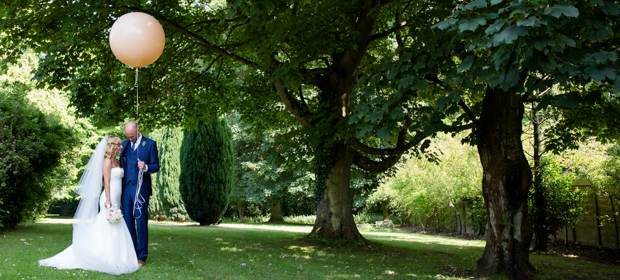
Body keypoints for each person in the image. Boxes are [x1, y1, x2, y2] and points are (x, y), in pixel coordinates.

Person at [38, 136, 141, 276]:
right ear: (112, 146)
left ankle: (119, 256)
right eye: (119, 145)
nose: (122, 147)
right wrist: (109, 200)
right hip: (109, 197)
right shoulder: (106, 161)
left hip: (117, 196)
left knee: (115, 224)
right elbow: (106, 182)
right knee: (107, 224)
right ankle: (104, 255)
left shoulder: (117, 161)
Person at [120, 121, 160, 266]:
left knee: (141, 221)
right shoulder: (124, 145)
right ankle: (132, 251)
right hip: (126, 188)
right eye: (127, 136)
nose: (130, 139)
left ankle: (142, 254)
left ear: (138, 130)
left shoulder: (149, 144)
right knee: (128, 222)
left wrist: (146, 167)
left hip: (141, 190)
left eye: (132, 136)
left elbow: (156, 166)